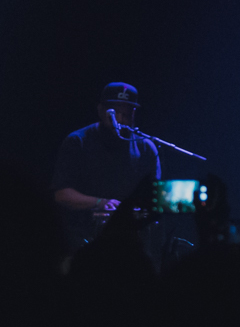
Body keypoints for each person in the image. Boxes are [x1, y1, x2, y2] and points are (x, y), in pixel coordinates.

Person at [51, 82, 160, 249]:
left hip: (131, 242)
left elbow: (154, 197)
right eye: (115, 112)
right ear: (100, 110)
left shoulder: (146, 147)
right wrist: (101, 203)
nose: (121, 119)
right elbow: (61, 194)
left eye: (127, 113)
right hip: (83, 241)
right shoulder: (78, 141)